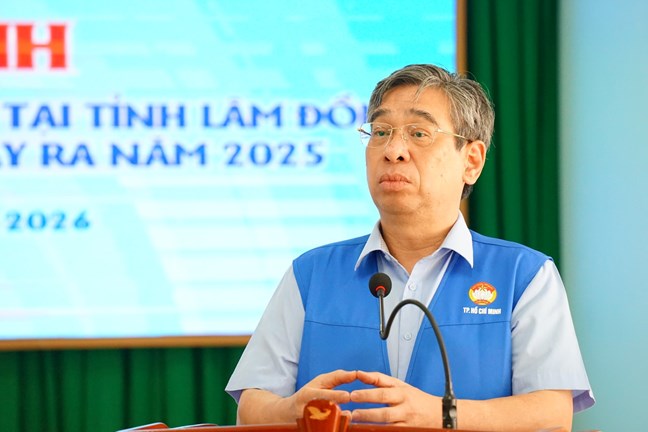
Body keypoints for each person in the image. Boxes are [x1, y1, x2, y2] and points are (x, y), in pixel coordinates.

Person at [226, 64, 594, 430]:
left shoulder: (524, 276)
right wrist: (291, 410)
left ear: (471, 161)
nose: (393, 150)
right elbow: (251, 407)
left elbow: (552, 416)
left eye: (419, 133)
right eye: (380, 132)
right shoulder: (310, 274)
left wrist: (442, 415)